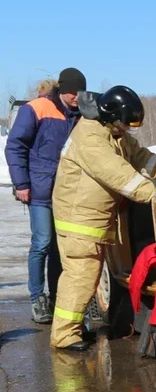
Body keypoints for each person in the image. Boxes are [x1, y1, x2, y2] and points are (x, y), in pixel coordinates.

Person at [50, 86, 156, 352]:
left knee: (87, 277)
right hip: (79, 220)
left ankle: (71, 328)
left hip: (93, 220)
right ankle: (64, 335)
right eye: (123, 123)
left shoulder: (114, 132)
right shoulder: (90, 137)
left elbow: (141, 158)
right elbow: (117, 172)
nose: (126, 129)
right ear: (109, 114)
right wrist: (151, 192)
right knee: (80, 276)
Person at [5, 67, 85, 324]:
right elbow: (15, 146)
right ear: (62, 89)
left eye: (80, 92)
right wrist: (21, 183)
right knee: (42, 242)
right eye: (72, 92)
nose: (76, 97)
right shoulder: (37, 108)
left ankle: (56, 296)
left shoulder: (81, 115)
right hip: (39, 189)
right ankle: (37, 298)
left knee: (58, 248)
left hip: (67, 192)